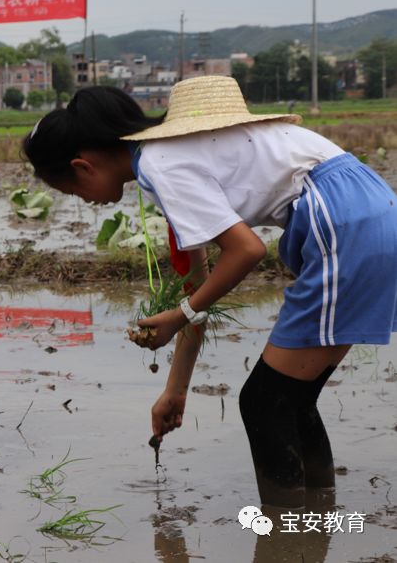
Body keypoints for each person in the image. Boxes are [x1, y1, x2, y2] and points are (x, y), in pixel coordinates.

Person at [21, 76, 397, 508]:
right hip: (368, 209)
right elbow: (198, 288)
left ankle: (286, 539)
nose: (84, 202)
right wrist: (175, 390)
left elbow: (246, 250)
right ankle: (312, 524)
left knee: (264, 403)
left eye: (72, 192)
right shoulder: (174, 158)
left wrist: (178, 315)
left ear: (82, 166)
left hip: (343, 222)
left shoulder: (162, 166)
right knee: (291, 400)